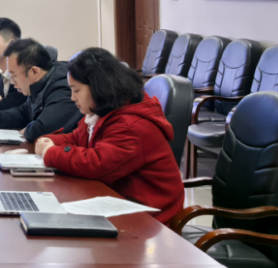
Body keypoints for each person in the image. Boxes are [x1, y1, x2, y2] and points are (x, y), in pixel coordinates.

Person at [34, 48, 185, 224]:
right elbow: (78, 138)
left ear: (97, 87)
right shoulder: (103, 110)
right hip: (120, 201)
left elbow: (97, 163)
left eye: (76, 90)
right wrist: (51, 141)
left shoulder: (131, 127)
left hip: (150, 218)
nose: (72, 98)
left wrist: (51, 153)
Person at [0, 39, 80, 140]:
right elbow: (22, 113)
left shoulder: (63, 86)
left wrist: (28, 130)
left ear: (34, 72)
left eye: (14, 75)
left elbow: (43, 128)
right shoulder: (38, 84)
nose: (12, 82)